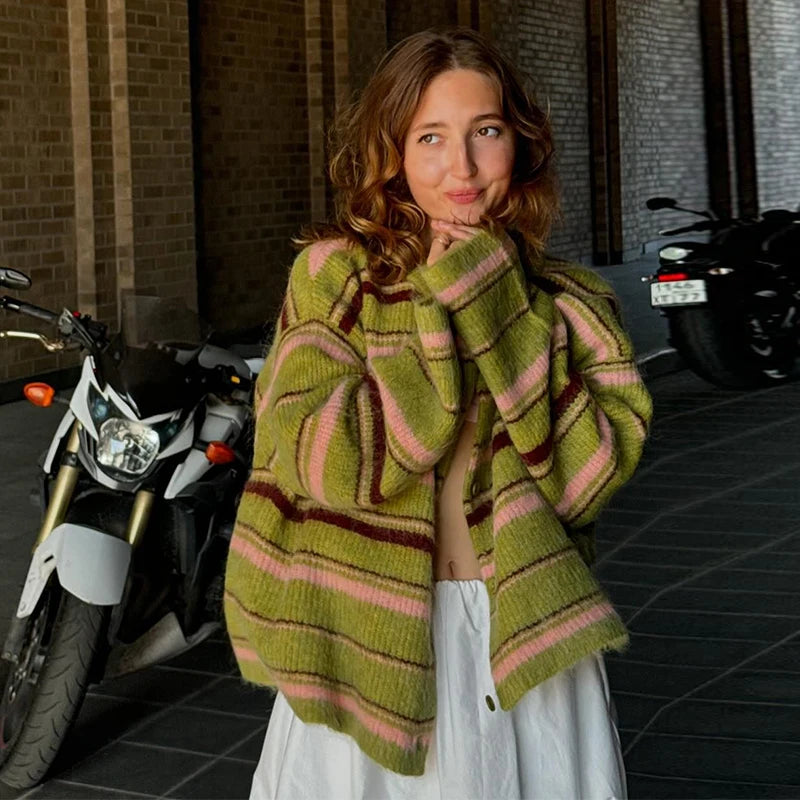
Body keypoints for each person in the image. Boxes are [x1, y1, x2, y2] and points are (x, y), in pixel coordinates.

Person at [224, 26, 652, 800]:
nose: (461, 167)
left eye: (485, 131)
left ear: (517, 142)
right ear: (391, 152)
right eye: (430, 137)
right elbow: (329, 462)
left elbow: (586, 476)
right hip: (364, 641)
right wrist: (436, 315)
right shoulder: (333, 281)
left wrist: (491, 301)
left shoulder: (566, 303)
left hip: (523, 639)